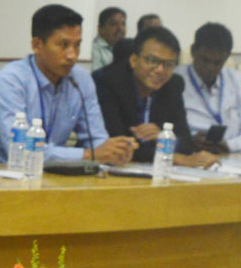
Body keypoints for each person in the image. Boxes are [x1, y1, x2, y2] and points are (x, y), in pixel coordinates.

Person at [0, 4, 132, 166]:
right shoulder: (10, 81)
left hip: (47, 173)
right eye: (63, 45)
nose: (72, 55)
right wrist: (89, 155)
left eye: (77, 45)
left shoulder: (80, 80)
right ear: (37, 45)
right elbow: (22, 150)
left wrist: (114, 152)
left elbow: (96, 139)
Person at [93, 26, 217, 168]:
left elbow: (186, 143)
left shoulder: (173, 85)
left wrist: (163, 137)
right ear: (134, 60)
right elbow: (118, 147)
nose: (160, 70)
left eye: (169, 64)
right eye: (152, 61)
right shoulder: (108, 83)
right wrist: (173, 156)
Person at [178, 22, 241, 155]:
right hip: (190, 155)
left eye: (217, 63)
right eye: (204, 60)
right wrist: (188, 141)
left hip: (232, 155)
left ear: (227, 57)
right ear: (193, 51)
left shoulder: (238, 81)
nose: (210, 67)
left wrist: (229, 145)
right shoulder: (175, 80)